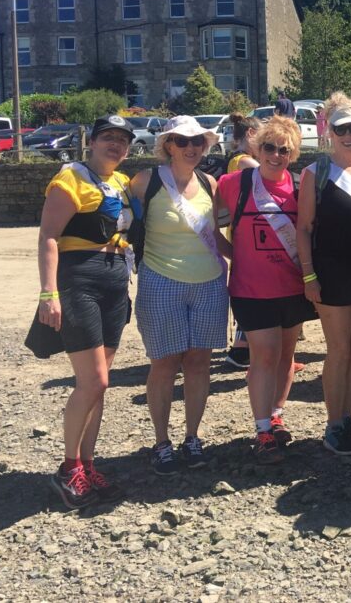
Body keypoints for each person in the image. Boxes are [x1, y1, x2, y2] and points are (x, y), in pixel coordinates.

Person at [34, 115, 135, 509]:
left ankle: (87, 465)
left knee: (102, 382)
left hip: (114, 281)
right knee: (92, 381)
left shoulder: (122, 183)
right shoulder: (69, 180)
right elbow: (47, 237)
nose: (116, 145)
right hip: (79, 280)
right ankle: (68, 468)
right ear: (90, 142)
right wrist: (48, 293)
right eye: (107, 137)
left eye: (123, 140)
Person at [130, 116, 229, 475]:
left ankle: (192, 437)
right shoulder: (145, 182)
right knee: (165, 363)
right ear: (168, 144)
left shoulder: (210, 183)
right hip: (161, 281)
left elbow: (214, 234)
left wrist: (243, 259)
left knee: (199, 362)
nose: (192, 148)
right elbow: (121, 221)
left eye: (198, 142)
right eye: (183, 141)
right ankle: (161, 442)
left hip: (209, 282)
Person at [217, 116, 312, 464]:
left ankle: (275, 414)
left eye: (284, 150)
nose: (276, 155)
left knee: (287, 355)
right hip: (251, 288)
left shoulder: (300, 187)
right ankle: (262, 430)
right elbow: (207, 223)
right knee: (265, 355)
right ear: (258, 149)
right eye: (269, 148)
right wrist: (232, 255)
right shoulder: (234, 183)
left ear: (293, 154)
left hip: (291, 286)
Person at [297, 92, 351, 455]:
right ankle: (333, 422)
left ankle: (348, 416)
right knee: (339, 348)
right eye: (341, 129)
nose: (348, 135)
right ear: (330, 133)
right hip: (332, 270)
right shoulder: (314, 173)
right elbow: (304, 228)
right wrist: (308, 275)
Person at [222, 114, 261, 370]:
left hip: (248, 230)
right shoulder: (243, 161)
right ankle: (241, 349)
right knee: (254, 289)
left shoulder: (242, 159)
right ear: (250, 135)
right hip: (246, 232)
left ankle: (245, 347)